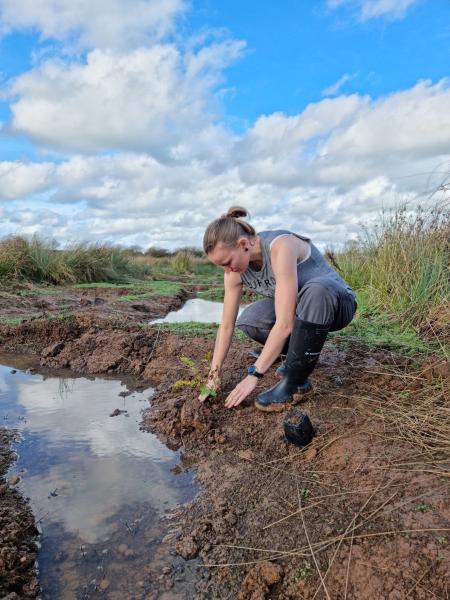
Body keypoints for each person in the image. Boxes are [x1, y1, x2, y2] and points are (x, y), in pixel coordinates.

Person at [199, 206, 357, 412]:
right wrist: (214, 375)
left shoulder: (280, 247)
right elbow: (227, 325)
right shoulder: (233, 272)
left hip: (336, 305)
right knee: (251, 319)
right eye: (221, 266)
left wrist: (254, 375)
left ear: (243, 244)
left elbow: (284, 324)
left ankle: (295, 382)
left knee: (316, 290)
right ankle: (294, 353)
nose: (227, 270)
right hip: (300, 308)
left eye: (228, 262)